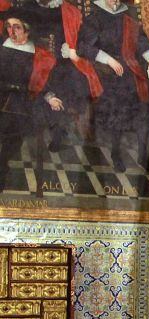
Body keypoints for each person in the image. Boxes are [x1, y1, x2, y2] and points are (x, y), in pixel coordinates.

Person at [78, 0, 149, 172]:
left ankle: (143, 154)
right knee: (118, 108)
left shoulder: (128, 16)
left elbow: (141, 40)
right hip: (105, 70)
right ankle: (116, 153)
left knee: (146, 104)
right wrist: (108, 59)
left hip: (130, 67)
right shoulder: (94, 17)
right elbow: (83, 47)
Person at [24, 0, 103, 152]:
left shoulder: (69, 11)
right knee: (34, 81)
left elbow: (90, 36)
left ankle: (59, 131)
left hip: (62, 62)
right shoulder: (29, 7)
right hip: (34, 58)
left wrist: (75, 49)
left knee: (67, 82)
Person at [0, 9, 59, 191]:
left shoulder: (38, 55)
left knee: (12, 130)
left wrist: (50, 97)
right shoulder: (2, 47)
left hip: (22, 100)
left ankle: (1, 167)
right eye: (8, 27)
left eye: (16, 27)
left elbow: (43, 81)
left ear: (27, 30)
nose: (11, 31)